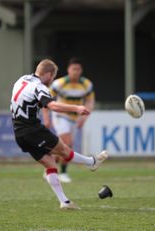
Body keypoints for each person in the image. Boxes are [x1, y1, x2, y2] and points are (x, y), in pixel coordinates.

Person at [10, 59, 107, 210]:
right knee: (64, 149)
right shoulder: (39, 87)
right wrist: (76, 108)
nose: (52, 80)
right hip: (33, 130)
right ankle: (91, 162)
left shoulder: (22, 80)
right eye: (53, 77)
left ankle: (64, 202)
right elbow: (53, 105)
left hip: (19, 133)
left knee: (50, 163)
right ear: (48, 74)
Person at [42, 57, 95, 183]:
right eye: (73, 69)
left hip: (74, 119)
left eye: (78, 69)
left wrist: (84, 118)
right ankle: (63, 173)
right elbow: (44, 101)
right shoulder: (59, 84)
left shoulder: (86, 85)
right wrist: (46, 119)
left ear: (81, 70)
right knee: (68, 143)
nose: (75, 71)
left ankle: (48, 169)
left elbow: (90, 102)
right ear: (68, 70)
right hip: (60, 116)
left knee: (62, 147)